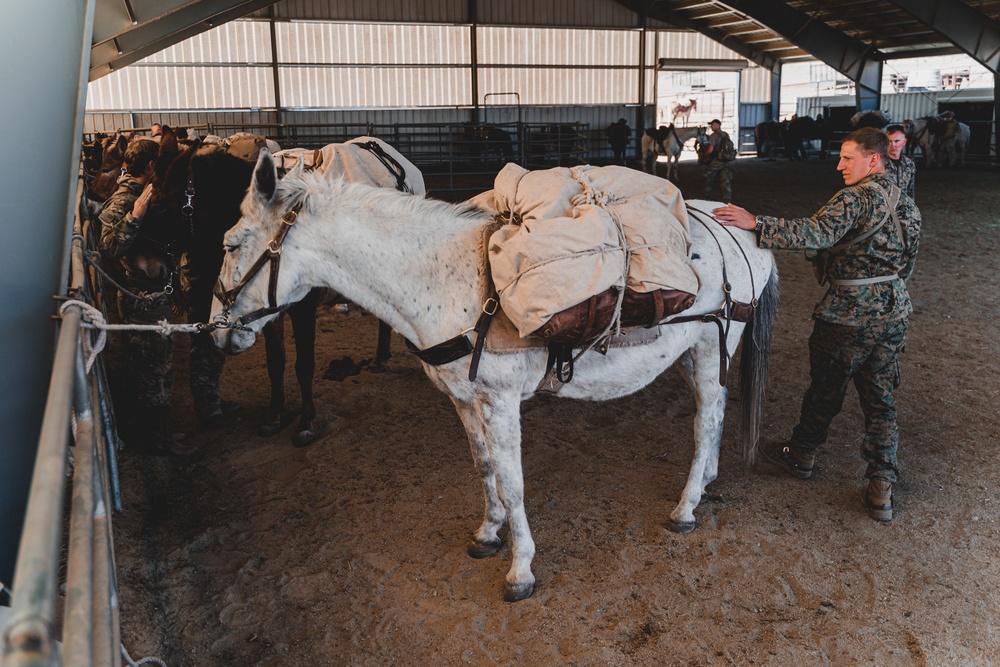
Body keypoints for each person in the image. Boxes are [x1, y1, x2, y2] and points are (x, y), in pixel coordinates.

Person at [712, 127, 922, 522]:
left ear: (872, 159)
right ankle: (882, 483)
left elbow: (813, 232)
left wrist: (756, 222)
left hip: (846, 314)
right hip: (894, 311)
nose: (839, 165)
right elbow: (907, 264)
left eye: (848, 158)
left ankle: (803, 454)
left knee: (826, 388)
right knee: (881, 398)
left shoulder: (855, 198)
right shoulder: (907, 205)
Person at [99, 138, 195, 457]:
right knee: (154, 369)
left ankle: (162, 432)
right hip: (143, 301)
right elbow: (107, 247)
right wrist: (135, 216)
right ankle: (160, 440)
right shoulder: (126, 199)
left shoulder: (146, 193)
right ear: (152, 167)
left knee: (160, 366)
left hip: (155, 297)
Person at [702, 119, 735, 203]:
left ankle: (707, 197)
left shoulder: (713, 136)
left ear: (718, 125)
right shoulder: (726, 135)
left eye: (712, 124)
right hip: (726, 161)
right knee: (725, 181)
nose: (711, 126)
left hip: (717, 161)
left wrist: (705, 157)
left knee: (708, 178)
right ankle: (727, 200)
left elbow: (710, 149)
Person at [884, 124, 915, 200]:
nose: (892, 145)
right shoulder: (877, 163)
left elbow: (910, 192)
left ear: (904, 142)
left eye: (897, 141)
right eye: (889, 141)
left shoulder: (909, 164)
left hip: (903, 209)